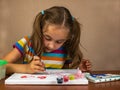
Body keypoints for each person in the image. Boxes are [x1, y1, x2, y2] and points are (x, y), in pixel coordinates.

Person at [2, 6, 91, 74]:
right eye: (47, 38)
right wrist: (26, 68)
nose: (51, 45)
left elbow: (64, 73)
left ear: (67, 39)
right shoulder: (26, 42)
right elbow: (1, 66)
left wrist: (78, 68)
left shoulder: (65, 49)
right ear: (40, 30)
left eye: (59, 41)